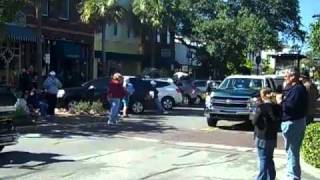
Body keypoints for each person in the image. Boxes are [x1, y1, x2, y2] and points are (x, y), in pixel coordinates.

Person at [280, 67, 308, 180]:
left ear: (293, 76)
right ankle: (292, 175)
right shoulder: (295, 88)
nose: (284, 77)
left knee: (292, 151)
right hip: (295, 122)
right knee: (292, 151)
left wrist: (279, 101)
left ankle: (293, 177)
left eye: (286, 75)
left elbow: (289, 107)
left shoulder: (297, 90)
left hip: (293, 123)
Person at [252, 88, 281, 180]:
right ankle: (271, 176)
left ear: (263, 95)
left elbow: (254, 121)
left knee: (263, 158)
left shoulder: (261, 107)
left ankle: (261, 178)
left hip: (262, 135)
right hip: (272, 136)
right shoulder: (277, 107)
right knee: (269, 158)